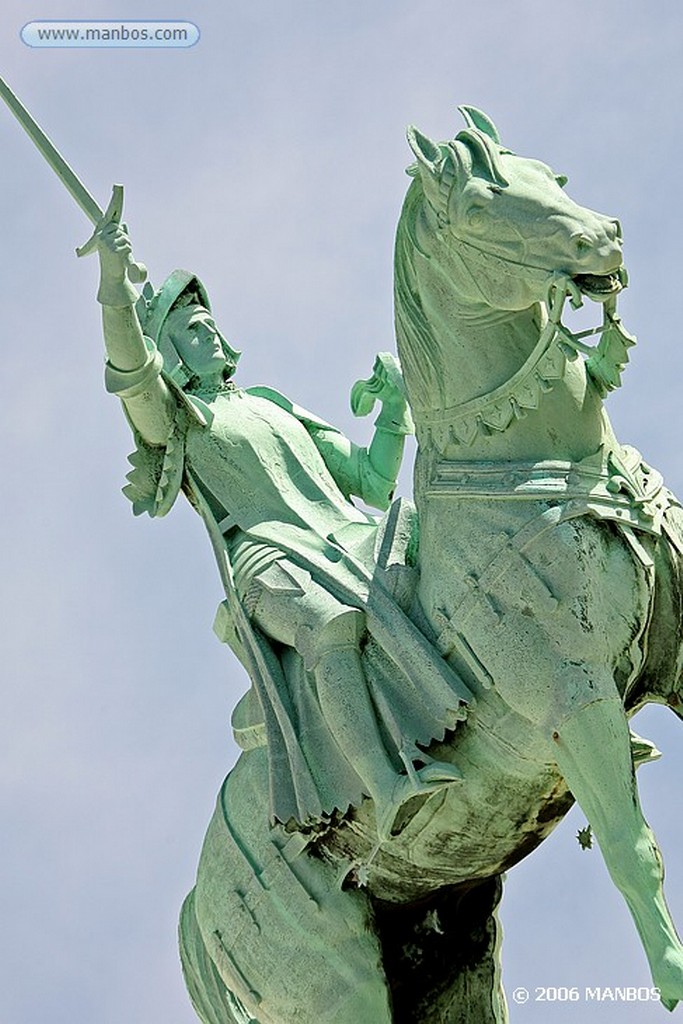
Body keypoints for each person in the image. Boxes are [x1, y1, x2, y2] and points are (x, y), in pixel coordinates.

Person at [97, 220, 470, 838]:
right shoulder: (180, 420)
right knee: (328, 625)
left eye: (209, 320)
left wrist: (394, 411)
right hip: (269, 563)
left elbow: (372, 483)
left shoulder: (271, 403)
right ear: (173, 357)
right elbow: (132, 373)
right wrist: (114, 283)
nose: (210, 329)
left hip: (347, 538)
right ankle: (387, 785)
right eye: (191, 329)